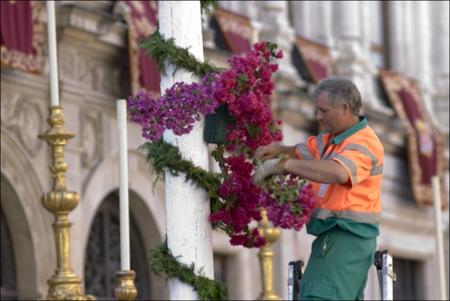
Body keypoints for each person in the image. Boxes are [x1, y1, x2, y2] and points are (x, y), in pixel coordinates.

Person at [253, 77, 384, 300]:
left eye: (324, 110)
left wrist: (284, 166)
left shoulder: (364, 142)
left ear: (345, 108)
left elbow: (338, 172)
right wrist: (278, 150)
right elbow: (307, 152)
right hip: (338, 236)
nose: (318, 117)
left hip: (347, 235)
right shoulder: (334, 139)